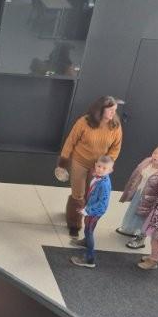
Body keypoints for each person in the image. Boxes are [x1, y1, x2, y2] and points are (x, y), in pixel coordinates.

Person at [57, 96, 123, 238]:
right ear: (100, 110)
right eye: (110, 110)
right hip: (80, 162)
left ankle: (73, 212)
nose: (113, 113)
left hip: (98, 167)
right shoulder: (84, 122)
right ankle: (74, 224)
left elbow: (115, 148)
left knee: (89, 195)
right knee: (78, 195)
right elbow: (70, 142)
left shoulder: (115, 126)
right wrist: (62, 163)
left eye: (115, 110)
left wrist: (106, 164)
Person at [116, 145, 158, 249]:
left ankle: (140, 239)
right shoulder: (147, 162)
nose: (155, 156)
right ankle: (131, 229)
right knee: (133, 212)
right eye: (154, 153)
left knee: (144, 219)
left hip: (150, 200)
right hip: (140, 194)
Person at [70, 155, 113, 268]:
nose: (100, 169)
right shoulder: (98, 177)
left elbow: (102, 203)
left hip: (94, 212)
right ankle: (85, 242)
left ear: (110, 170)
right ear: (95, 165)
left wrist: (87, 210)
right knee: (88, 229)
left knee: (89, 232)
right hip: (91, 208)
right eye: (99, 166)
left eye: (104, 168)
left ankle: (89, 260)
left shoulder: (104, 184)